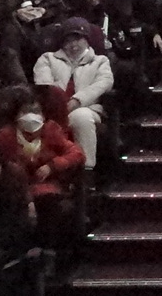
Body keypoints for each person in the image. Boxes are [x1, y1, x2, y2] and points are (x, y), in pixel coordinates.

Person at [32, 21, 115, 178]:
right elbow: (44, 85)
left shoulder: (100, 61)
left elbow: (104, 83)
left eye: (78, 39)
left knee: (80, 116)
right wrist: (60, 104)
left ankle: (86, 172)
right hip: (53, 110)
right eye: (68, 40)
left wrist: (77, 100)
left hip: (88, 109)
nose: (73, 45)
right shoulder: (47, 58)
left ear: (87, 40)